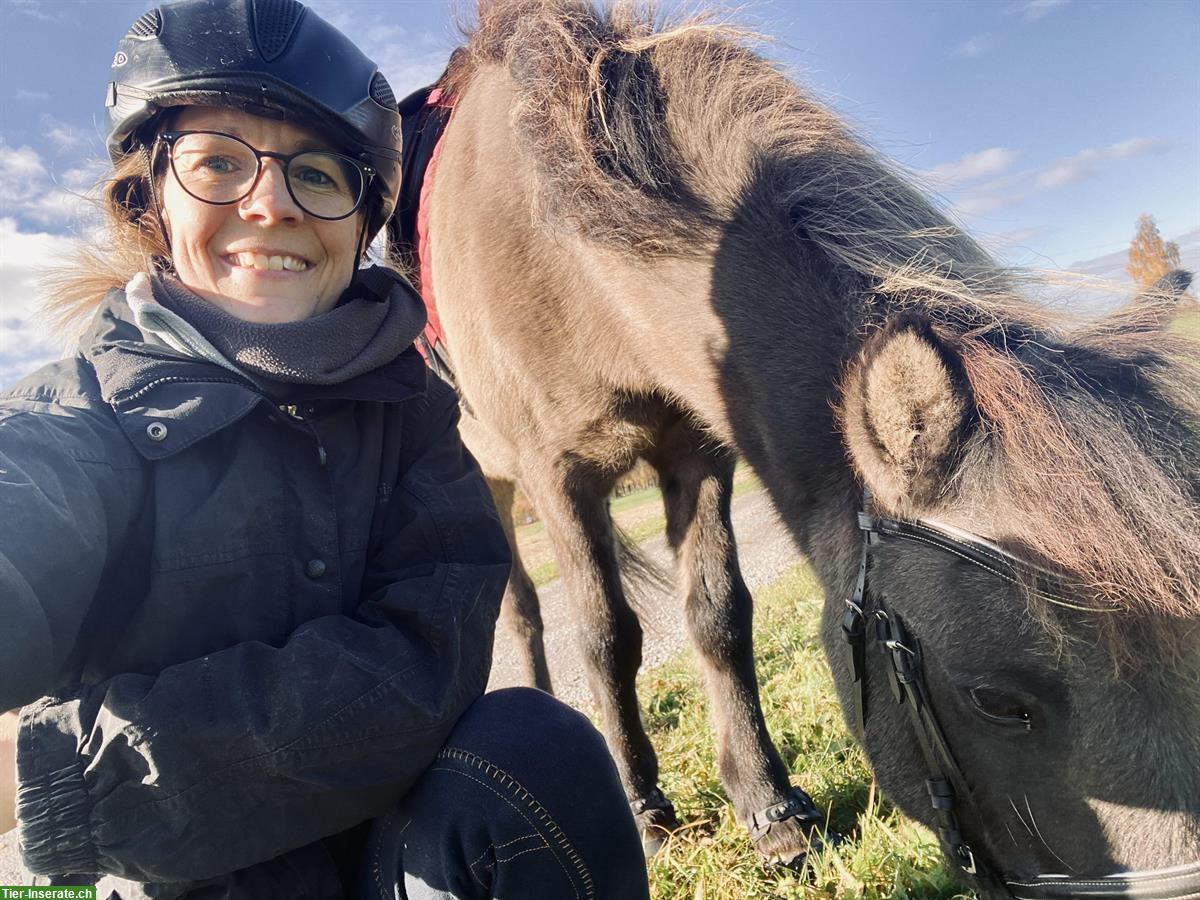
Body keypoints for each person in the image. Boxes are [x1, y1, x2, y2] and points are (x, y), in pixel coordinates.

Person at [0, 0, 650, 897]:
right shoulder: (74, 418)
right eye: (217, 162)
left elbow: (429, 662)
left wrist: (58, 773)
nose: (270, 204)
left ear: (361, 220)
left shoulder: (413, 414)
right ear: (150, 198)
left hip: (394, 866)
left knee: (536, 751)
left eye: (315, 172)